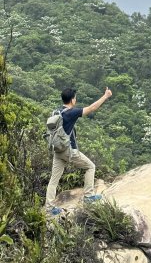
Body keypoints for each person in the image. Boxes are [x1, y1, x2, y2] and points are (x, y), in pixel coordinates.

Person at [45, 86, 112, 215]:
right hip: (69, 151)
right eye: (75, 98)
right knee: (90, 167)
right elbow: (92, 108)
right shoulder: (71, 113)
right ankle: (88, 197)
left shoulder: (57, 112)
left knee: (54, 179)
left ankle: (49, 208)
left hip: (58, 150)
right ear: (72, 100)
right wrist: (106, 96)